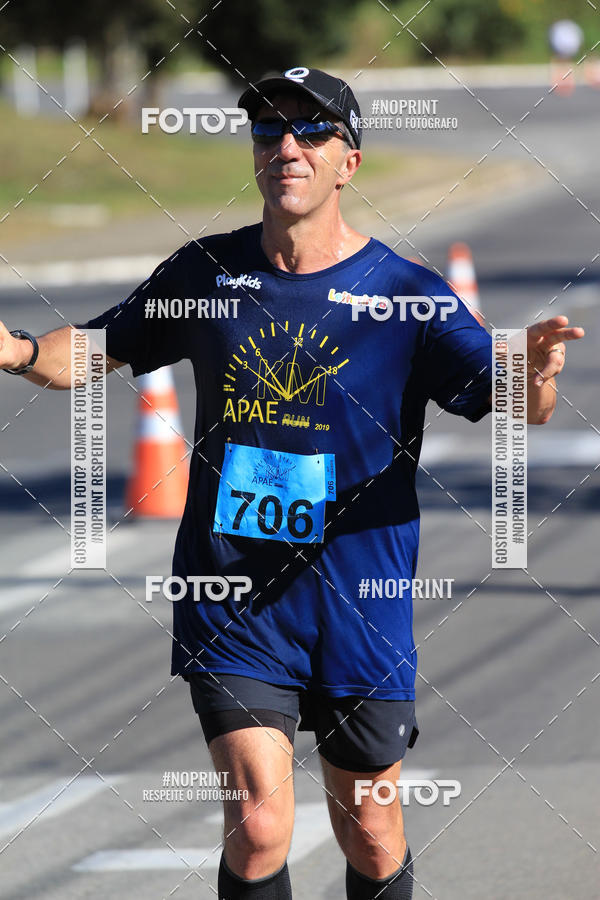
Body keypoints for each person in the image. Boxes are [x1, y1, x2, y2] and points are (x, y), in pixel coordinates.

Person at [0, 67, 584, 899]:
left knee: (372, 836)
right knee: (260, 826)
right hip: (233, 596)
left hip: (360, 600)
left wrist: (533, 372)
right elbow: (95, 349)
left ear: (349, 162)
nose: (287, 147)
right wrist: (20, 351)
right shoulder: (205, 274)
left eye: (311, 131)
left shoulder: (408, 294)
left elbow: (517, 400)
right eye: (269, 129)